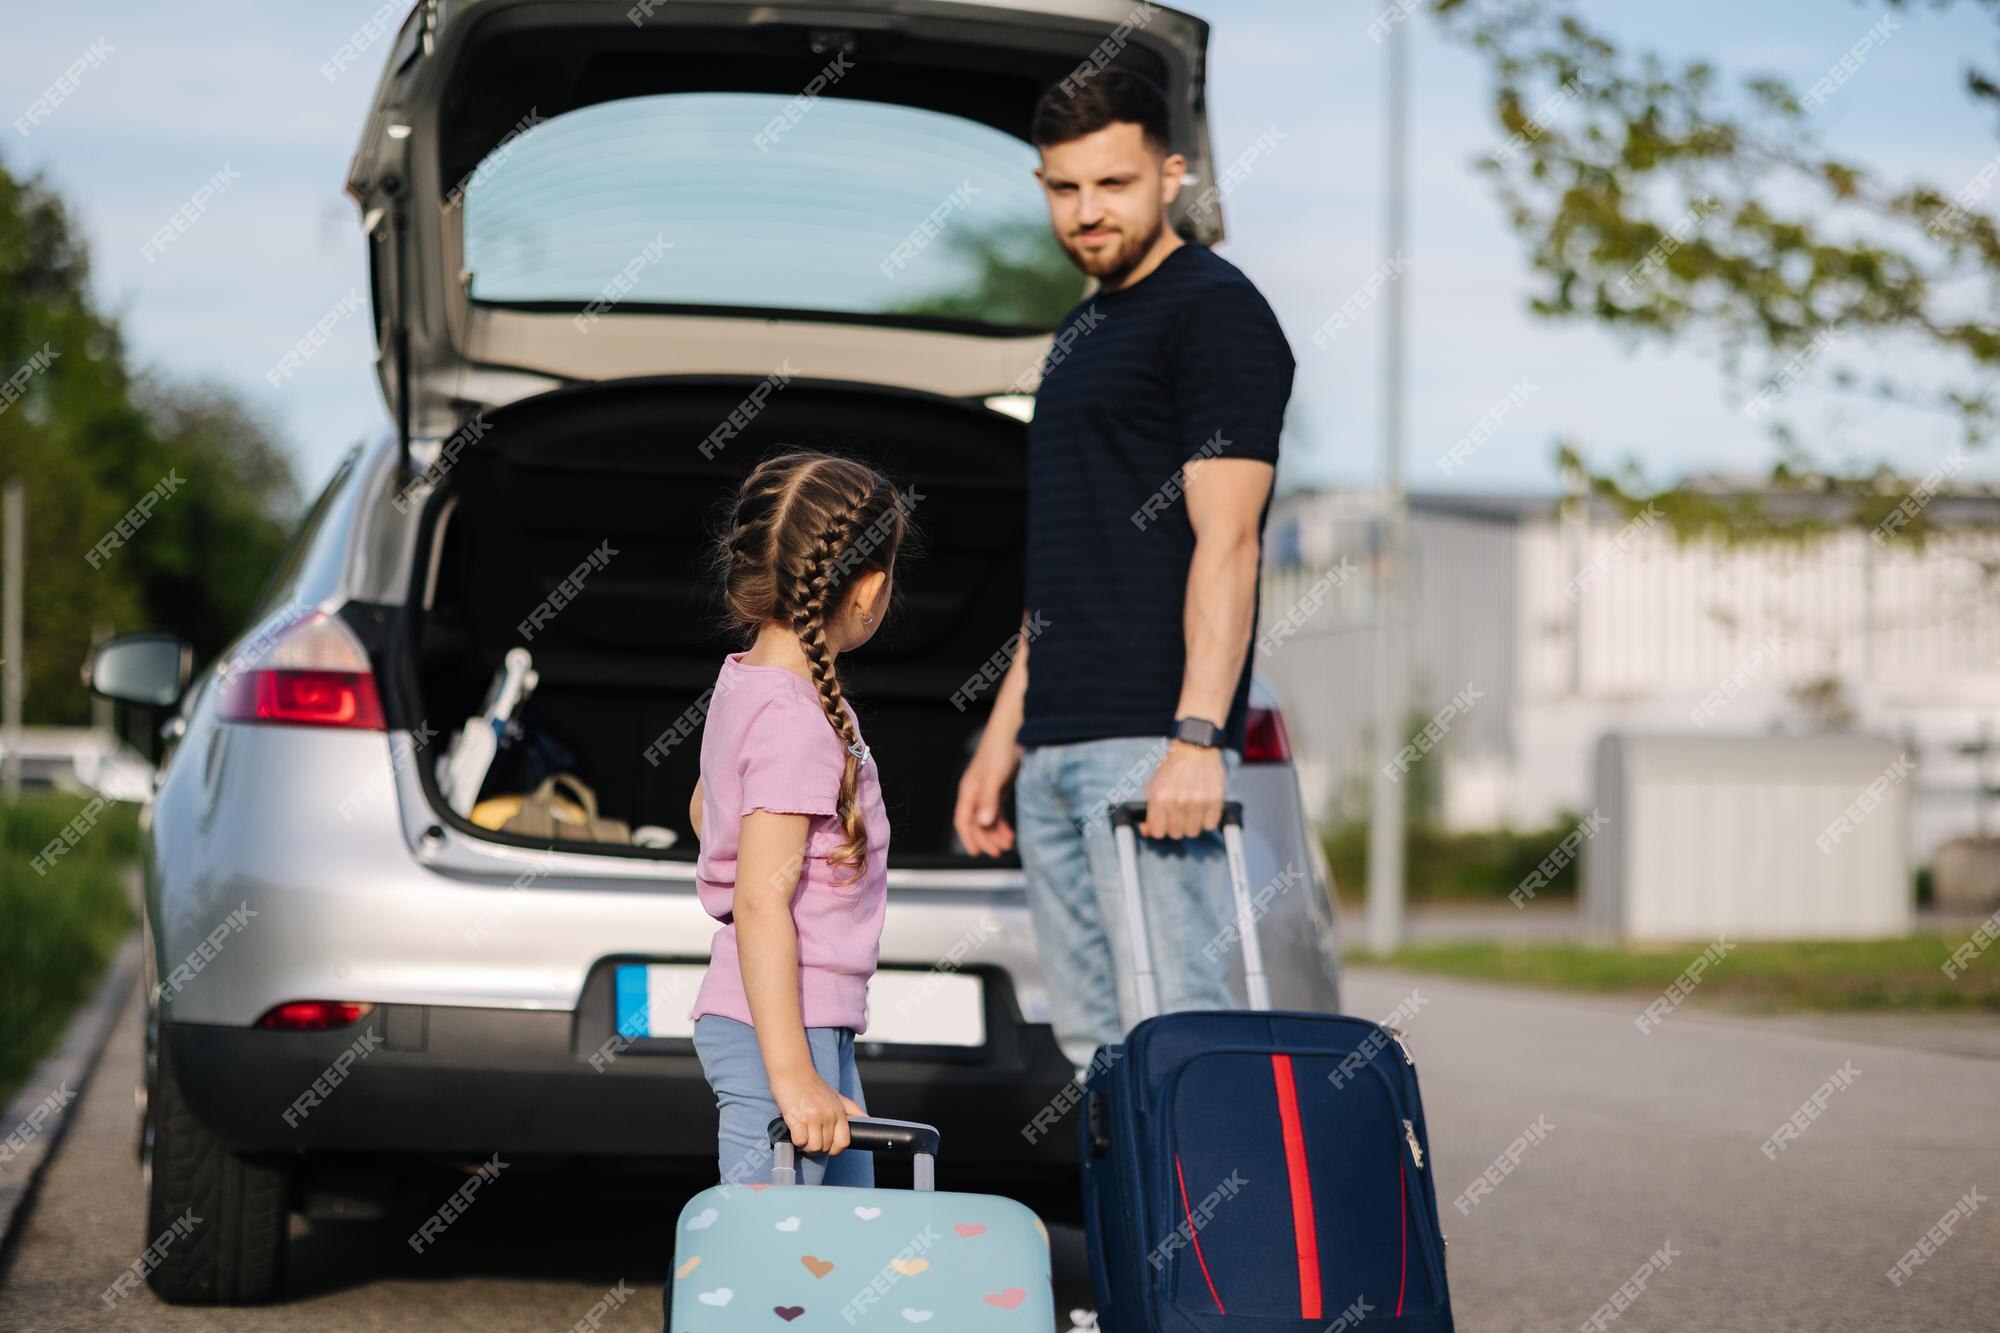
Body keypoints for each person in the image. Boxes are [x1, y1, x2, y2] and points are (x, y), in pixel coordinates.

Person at [952, 68, 1296, 1074]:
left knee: (1179, 1036)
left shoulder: (1214, 314)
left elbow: (1227, 542)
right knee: (1093, 1054)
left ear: (1170, 172)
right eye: (1063, 189)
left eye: (1112, 183)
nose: (1086, 212)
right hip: (1058, 744)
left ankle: (1214, 1237)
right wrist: (1001, 740)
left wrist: (1195, 734)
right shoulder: (1080, 331)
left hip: (1148, 744)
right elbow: (1066, 559)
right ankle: (1131, 1239)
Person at [684, 451, 908, 1189]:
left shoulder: (749, 685)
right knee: (773, 1266)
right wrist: (793, 1074)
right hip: (779, 1030)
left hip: (805, 1022)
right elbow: (758, 897)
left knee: (836, 1257)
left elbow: (705, 805)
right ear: (868, 590)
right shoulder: (797, 722)